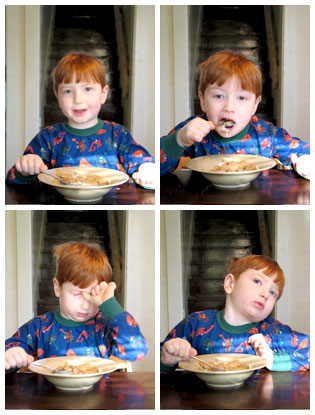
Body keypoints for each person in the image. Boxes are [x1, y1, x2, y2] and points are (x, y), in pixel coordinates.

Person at [6, 51, 155, 188]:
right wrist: (25, 168)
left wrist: (147, 170)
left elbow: (141, 160)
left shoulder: (118, 134)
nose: (78, 99)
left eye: (87, 89)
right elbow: (13, 179)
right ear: (57, 96)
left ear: (103, 94)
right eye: (68, 91)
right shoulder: (47, 137)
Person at [160, 50, 310, 178]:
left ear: (254, 106)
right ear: (203, 101)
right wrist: (179, 139)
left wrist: (304, 160)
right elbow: (158, 168)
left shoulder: (267, 135)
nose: (229, 107)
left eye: (242, 98)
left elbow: (304, 150)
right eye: (219, 96)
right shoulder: (193, 131)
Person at [5, 242, 148, 371]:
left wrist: (110, 305)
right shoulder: (38, 327)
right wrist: (11, 356)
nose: (85, 305)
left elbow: (137, 350)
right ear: (58, 288)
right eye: (77, 293)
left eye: (92, 296)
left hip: (100, 398)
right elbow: (7, 357)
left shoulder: (104, 327)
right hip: (49, 398)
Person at [161, 255, 310, 372]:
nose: (265, 294)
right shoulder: (196, 323)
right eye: (257, 281)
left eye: (273, 292)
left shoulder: (275, 332)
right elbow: (160, 364)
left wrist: (273, 360)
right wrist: (166, 359)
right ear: (230, 284)